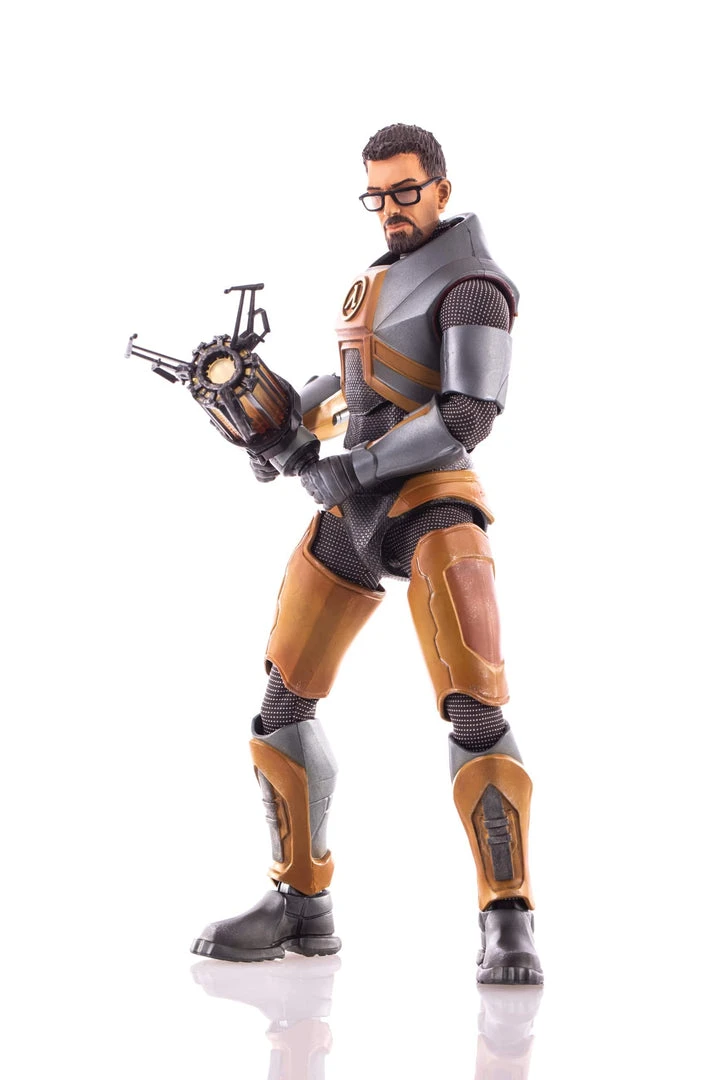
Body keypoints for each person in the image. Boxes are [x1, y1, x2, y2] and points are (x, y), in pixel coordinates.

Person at [191, 123, 543, 985]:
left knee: (475, 709)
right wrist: (274, 427)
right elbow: (349, 386)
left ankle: (508, 916)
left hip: (434, 504)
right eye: (377, 195)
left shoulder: (472, 285)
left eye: (405, 191)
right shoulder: (377, 282)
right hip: (354, 514)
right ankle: (300, 907)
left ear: (442, 189)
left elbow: (466, 414)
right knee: (282, 701)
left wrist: (351, 466)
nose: (390, 208)